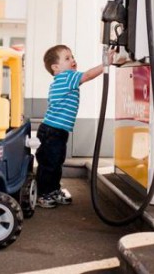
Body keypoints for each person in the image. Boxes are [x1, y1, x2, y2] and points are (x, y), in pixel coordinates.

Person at [36, 44, 114, 208]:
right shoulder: (67, 77)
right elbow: (87, 75)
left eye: (72, 56)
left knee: (55, 163)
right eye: (67, 58)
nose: (73, 60)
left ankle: (53, 190)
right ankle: (43, 194)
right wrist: (105, 64)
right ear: (56, 67)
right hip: (53, 131)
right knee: (50, 164)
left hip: (54, 130)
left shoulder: (61, 79)